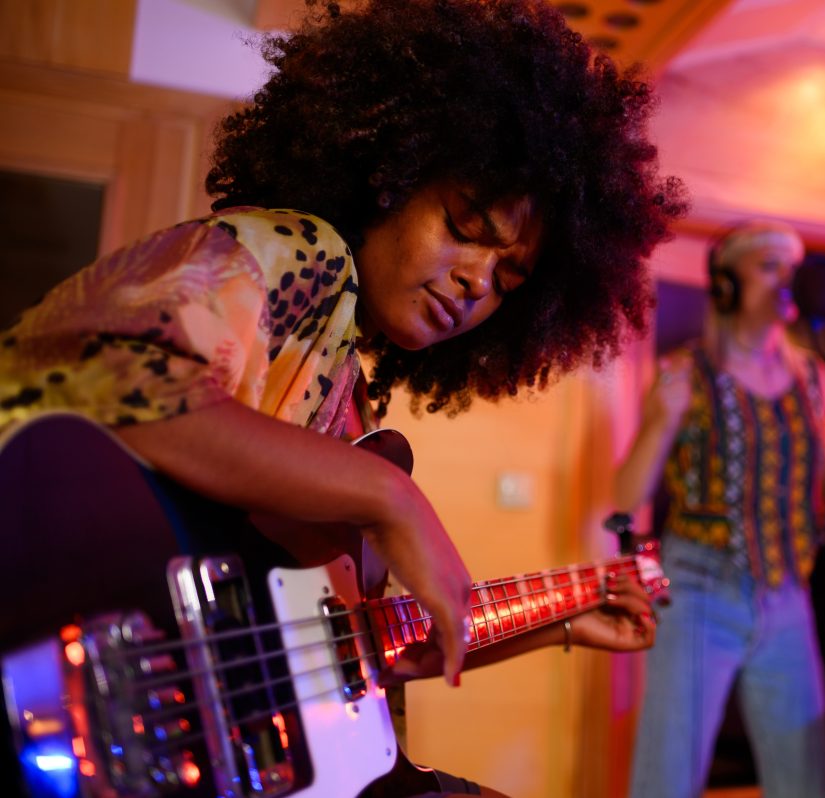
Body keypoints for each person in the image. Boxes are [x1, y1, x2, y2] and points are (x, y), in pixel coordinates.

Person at [0, 0, 686, 794]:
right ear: (388, 177)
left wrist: (560, 618)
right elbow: (103, 371)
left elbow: (339, 654)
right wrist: (392, 500)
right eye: (465, 225)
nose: (477, 280)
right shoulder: (306, 251)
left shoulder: (343, 400)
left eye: (508, 277)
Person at [614, 220, 825, 798]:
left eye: (793, 269)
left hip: (787, 591)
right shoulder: (685, 371)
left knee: (803, 779)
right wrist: (659, 423)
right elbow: (623, 497)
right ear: (727, 286)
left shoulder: (811, 376)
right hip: (698, 590)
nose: (788, 280)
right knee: (669, 774)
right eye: (768, 266)